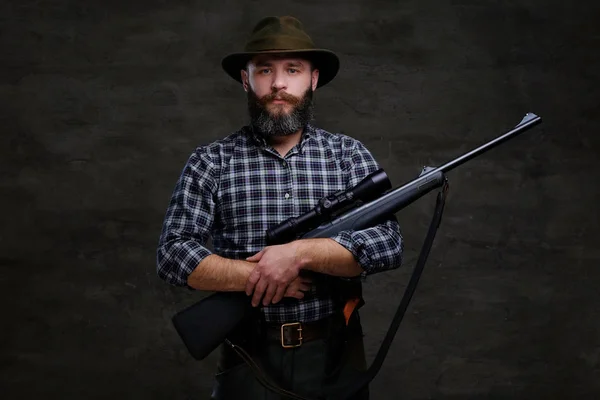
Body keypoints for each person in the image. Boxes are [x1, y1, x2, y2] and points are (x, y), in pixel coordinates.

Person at [156, 15, 404, 400]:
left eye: (293, 69)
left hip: (335, 359)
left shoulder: (348, 156)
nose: (278, 84)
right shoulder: (211, 161)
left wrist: (299, 254)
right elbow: (173, 255)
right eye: (265, 70)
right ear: (245, 79)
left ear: (314, 79)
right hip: (247, 362)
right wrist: (258, 275)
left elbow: (388, 245)